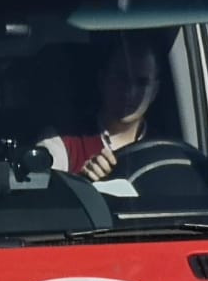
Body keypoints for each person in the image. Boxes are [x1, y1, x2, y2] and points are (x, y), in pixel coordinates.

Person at [36, 37, 161, 179]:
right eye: (121, 78)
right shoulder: (62, 143)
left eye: (142, 83)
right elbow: (46, 199)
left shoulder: (165, 152)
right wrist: (83, 183)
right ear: (102, 80)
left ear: (155, 91)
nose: (129, 92)